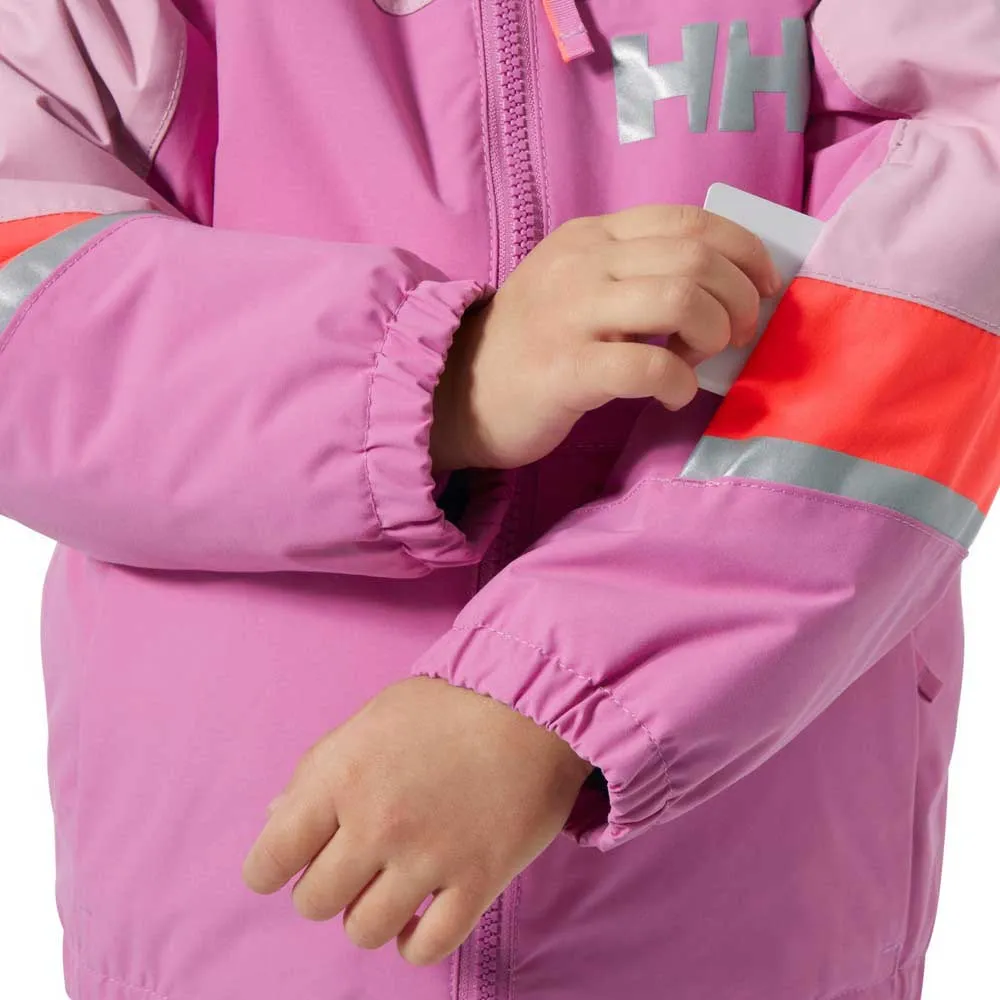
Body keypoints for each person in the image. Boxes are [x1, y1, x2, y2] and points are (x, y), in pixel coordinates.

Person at [0, 1, 996, 998]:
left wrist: (564, 691)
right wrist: (443, 379)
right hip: (245, 906)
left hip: (738, 894)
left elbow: (953, 257)